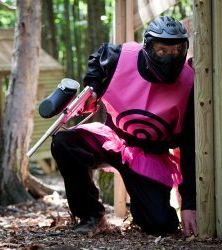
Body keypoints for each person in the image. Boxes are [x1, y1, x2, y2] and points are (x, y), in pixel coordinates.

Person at [51, 16, 197, 236]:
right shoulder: (118, 58)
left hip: (151, 157)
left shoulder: (191, 83)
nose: (170, 57)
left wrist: (189, 204)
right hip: (112, 139)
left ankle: (145, 211)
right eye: (162, 50)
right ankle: (91, 216)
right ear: (148, 47)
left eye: (176, 49)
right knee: (65, 142)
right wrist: (94, 84)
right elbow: (96, 70)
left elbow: (190, 147)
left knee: (160, 225)